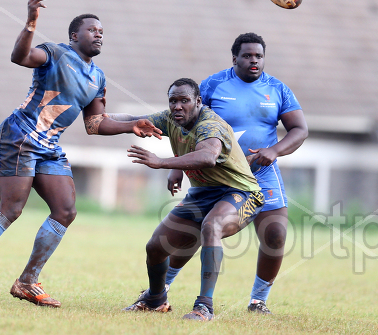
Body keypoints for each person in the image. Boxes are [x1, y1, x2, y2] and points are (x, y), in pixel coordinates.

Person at [0, 0, 160, 307]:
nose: (98, 35)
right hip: (19, 136)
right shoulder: (55, 53)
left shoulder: (98, 77)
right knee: (12, 209)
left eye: (101, 32)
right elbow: (19, 56)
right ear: (74, 36)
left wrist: (131, 124)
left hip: (49, 146)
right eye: (92, 30)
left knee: (65, 210)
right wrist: (31, 21)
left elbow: (95, 124)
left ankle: (27, 281)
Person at [165, 32, 308, 314]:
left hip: (261, 175)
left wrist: (275, 150)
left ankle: (258, 301)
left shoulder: (278, 89)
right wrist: (177, 164)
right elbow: (186, 123)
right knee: (192, 232)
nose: (254, 61)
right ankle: (161, 289)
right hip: (218, 175)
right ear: (235, 58)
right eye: (247, 55)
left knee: (276, 234)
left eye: (259, 56)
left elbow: (300, 130)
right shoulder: (213, 85)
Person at [108, 78, 265, 321]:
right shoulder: (169, 118)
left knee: (211, 226)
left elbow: (207, 156)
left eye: (184, 101)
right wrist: (94, 111)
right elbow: (133, 119)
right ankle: (155, 299)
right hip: (202, 194)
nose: (178, 106)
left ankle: (204, 307)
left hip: (241, 193)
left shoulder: (211, 124)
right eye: (173, 101)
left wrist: (162, 162)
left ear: (198, 102)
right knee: (155, 247)